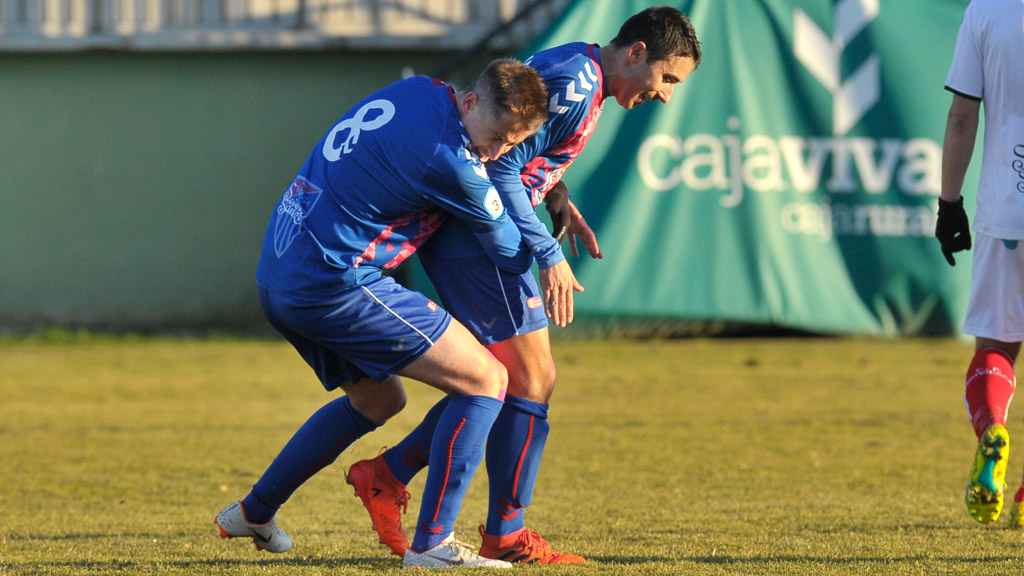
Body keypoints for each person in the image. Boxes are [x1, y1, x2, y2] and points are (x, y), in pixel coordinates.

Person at [345, 6, 701, 563]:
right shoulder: (575, 85)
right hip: (476, 237)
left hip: (481, 230)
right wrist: (548, 250)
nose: (666, 95)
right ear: (636, 53)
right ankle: (501, 534)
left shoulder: (579, 65)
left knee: (510, 380)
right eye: (668, 79)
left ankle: (388, 475)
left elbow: (528, 153)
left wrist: (558, 197)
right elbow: (501, 166)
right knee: (530, 378)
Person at [213, 58, 549, 569]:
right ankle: (432, 544)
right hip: (333, 282)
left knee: (378, 401)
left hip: (280, 273)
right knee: (486, 380)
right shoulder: (450, 159)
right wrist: (548, 252)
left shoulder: (420, 90)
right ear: (474, 102)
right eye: (499, 137)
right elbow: (506, 248)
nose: (498, 152)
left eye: (512, 145)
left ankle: (254, 511)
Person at [937, 0, 1024, 528]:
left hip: (1006, 210)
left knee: (995, 346)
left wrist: (950, 204)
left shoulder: (987, 9)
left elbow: (962, 115)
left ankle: (993, 427)